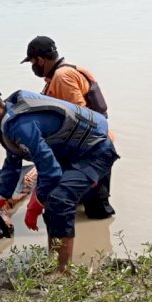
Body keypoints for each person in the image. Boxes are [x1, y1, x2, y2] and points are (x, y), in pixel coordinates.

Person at [0, 77, 119, 272]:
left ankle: (62, 272)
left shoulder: (20, 125)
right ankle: (55, 260)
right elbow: (12, 165)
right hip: (71, 154)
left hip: (96, 151)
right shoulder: (7, 123)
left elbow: (51, 172)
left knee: (60, 199)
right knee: (53, 200)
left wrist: (35, 205)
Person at [21, 35, 114, 219]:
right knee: (76, 200)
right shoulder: (68, 71)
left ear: (40, 59)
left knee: (97, 211)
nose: (33, 67)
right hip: (91, 147)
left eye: (33, 62)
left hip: (91, 151)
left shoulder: (63, 77)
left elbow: (83, 118)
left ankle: (100, 244)